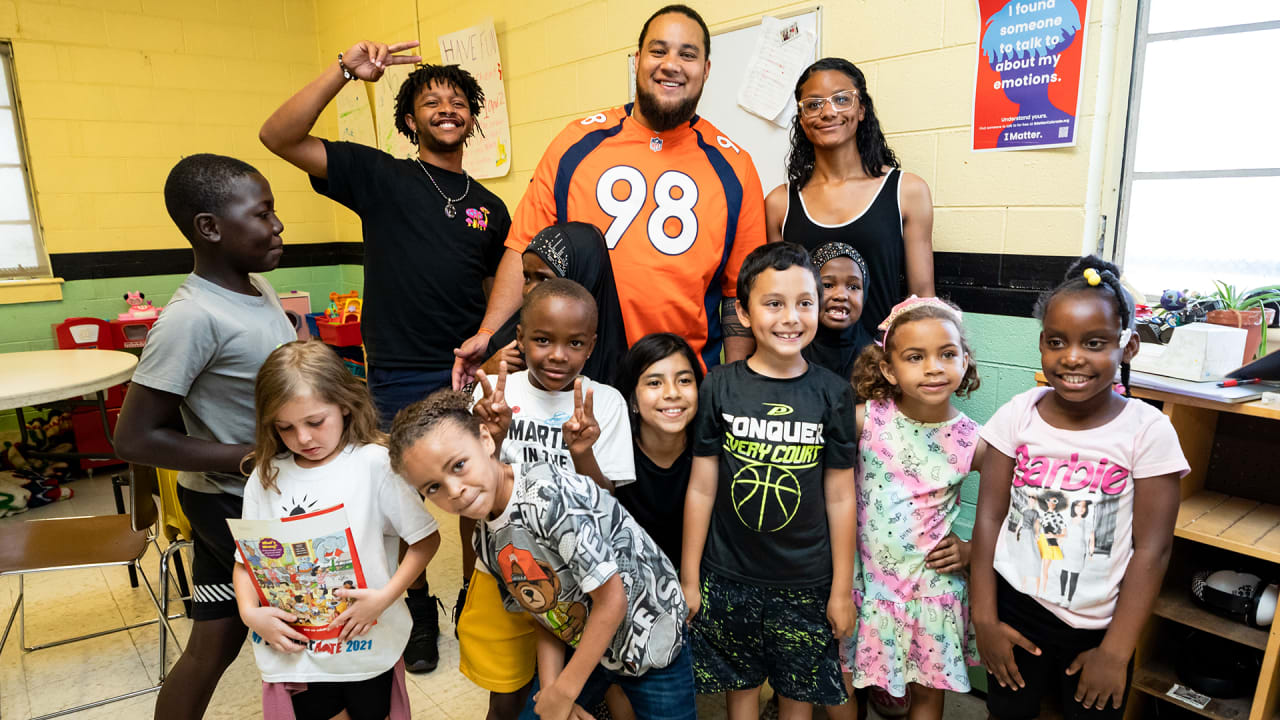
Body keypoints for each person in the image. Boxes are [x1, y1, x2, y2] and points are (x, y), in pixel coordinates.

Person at [261, 40, 512, 672]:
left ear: (472, 119)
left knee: (471, 487)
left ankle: (473, 594)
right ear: (409, 121)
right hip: (396, 371)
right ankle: (417, 606)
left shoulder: (491, 206)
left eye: (458, 101)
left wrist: (490, 346)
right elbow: (279, 136)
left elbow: (494, 290)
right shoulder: (381, 177)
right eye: (431, 101)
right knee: (393, 500)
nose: (446, 108)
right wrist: (345, 72)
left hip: (465, 372)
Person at [454, 4, 767, 386]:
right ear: (637, 60)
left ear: (706, 69)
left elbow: (739, 294)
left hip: (676, 387)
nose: (671, 64)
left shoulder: (735, 167)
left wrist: (735, 386)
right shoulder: (576, 143)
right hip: (573, 375)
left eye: (688, 54)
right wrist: (488, 335)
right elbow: (523, 248)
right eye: (658, 50)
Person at [114, 154, 297, 720]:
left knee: (213, 641)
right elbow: (135, 437)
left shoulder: (257, 286)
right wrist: (248, 458)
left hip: (243, 498)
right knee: (306, 634)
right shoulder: (191, 317)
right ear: (210, 228)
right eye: (262, 214)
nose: (277, 225)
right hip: (236, 504)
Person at [970, 256, 1189, 720]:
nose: (1072, 357)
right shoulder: (1018, 413)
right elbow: (988, 518)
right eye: (1056, 342)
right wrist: (985, 620)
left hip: (1098, 627)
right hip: (1015, 610)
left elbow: (1153, 549)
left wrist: (1115, 652)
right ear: (1042, 345)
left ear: (1126, 347)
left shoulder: (1148, 431)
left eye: (1094, 343)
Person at [388, 391, 696, 720]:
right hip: (587, 647)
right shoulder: (486, 541)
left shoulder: (551, 498)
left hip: (651, 645)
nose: (454, 491)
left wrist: (565, 690)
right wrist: (552, 691)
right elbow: (544, 613)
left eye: (459, 465)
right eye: (433, 487)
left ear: (485, 440)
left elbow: (613, 600)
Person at [683, 242, 857, 720]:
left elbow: (841, 496)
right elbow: (701, 487)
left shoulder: (833, 393)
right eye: (773, 303)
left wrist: (841, 589)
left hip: (806, 581)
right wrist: (691, 577)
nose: (791, 317)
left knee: (795, 696)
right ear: (743, 310)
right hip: (728, 573)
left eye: (805, 302)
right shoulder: (718, 386)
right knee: (740, 690)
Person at [233, 341, 441, 720]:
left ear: (345, 404)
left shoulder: (374, 463)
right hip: (300, 655)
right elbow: (246, 562)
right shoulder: (264, 477)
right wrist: (250, 613)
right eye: (285, 428)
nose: (304, 438)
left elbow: (425, 540)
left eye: (315, 422)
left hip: (365, 646)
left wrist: (385, 598)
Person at [462, 278, 636, 719]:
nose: (558, 355)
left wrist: (583, 454)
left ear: (591, 345)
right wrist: (493, 440)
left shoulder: (606, 403)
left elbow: (605, 500)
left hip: (576, 577)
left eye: (574, 343)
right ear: (519, 338)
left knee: (567, 693)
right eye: (542, 339)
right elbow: (469, 493)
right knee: (504, 695)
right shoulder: (494, 398)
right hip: (500, 569)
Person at [844, 296, 986, 720]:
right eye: (915, 356)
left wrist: (973, 549)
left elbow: (1021, 504)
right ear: (889, 369)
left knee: (929, 689)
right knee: (851, 678)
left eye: (947, 354)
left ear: (964, 361)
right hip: (869, 584)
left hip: (933, 590)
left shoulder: (974, 440)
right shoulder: (864, 421)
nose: (933, 367)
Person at [766, 58, 935, 335]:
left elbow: (922, 298)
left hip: (880, 366)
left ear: (861, 110)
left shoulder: (906, 191)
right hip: (804, 369)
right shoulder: (780, 203)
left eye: (842, 99)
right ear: (802, 119)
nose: (828, 112)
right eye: (814, 104)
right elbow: (777, 298)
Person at [481, 222, 629, 386]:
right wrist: (485, 373)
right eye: (527, 278)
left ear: (581, 277)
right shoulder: (507, 346)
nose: (530, 291)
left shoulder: (617, 368)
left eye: (544, 279)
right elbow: (471, 404)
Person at [614, 332, 704, 569]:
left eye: (684, 380)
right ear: (632, 399)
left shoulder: (709, 452)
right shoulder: (616, 453)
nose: (672, 393)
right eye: (655, 383)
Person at [803, 242, 874, 382]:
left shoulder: (876, 361)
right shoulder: (791, 355)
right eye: (828, 285)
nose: (841, 295)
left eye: (853, 287)